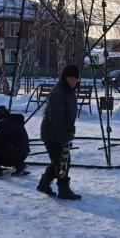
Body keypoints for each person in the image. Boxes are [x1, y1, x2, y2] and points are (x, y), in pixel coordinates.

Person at [37, 64, 81, 199]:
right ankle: (63, 190)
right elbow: (56, 118)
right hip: (52, 133)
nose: (73, 81)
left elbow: (69, 115)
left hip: (60, 133)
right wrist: (63, 137)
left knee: (59, 160)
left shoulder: (68, 91)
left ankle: (44, 184)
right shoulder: (59, 92)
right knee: (62, 162)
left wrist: (71, 129)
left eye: (75, 78)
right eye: (70, 78)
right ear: (64, 77)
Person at [0, 105, 30, 178]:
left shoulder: (5, 123)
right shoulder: (16, 120)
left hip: (12, 157)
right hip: (23, 155)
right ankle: (20, 166)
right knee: (12, 146)